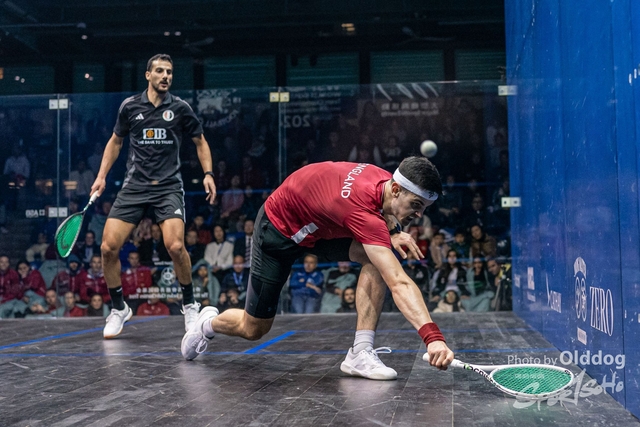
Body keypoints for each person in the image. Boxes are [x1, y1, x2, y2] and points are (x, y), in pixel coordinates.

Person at [182, 156, 454, 378]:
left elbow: (383, 211)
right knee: (253, 329)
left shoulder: (383, 179)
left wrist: (393, 230)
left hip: (319, 229)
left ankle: (360, 352)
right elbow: (398, 282)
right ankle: (206, 325)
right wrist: (432, 338)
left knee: (376, 258)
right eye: (416, 205)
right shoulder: (359, 209)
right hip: (278, 231)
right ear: (395, 190)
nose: (419, 215)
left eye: (424, 208)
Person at [90, 54, 216, 339]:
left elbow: (200, 141)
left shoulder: (180, 108)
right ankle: (119, 308)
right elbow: (115, 141)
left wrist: (208, 173)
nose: (165, 76)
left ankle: (189, 304)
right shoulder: (130, 106)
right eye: (159, 71)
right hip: (135, 187)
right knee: (108, 247)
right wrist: (101, 176)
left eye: (169, 72)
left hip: (168, 187)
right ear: (148, 75)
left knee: (175, 246)